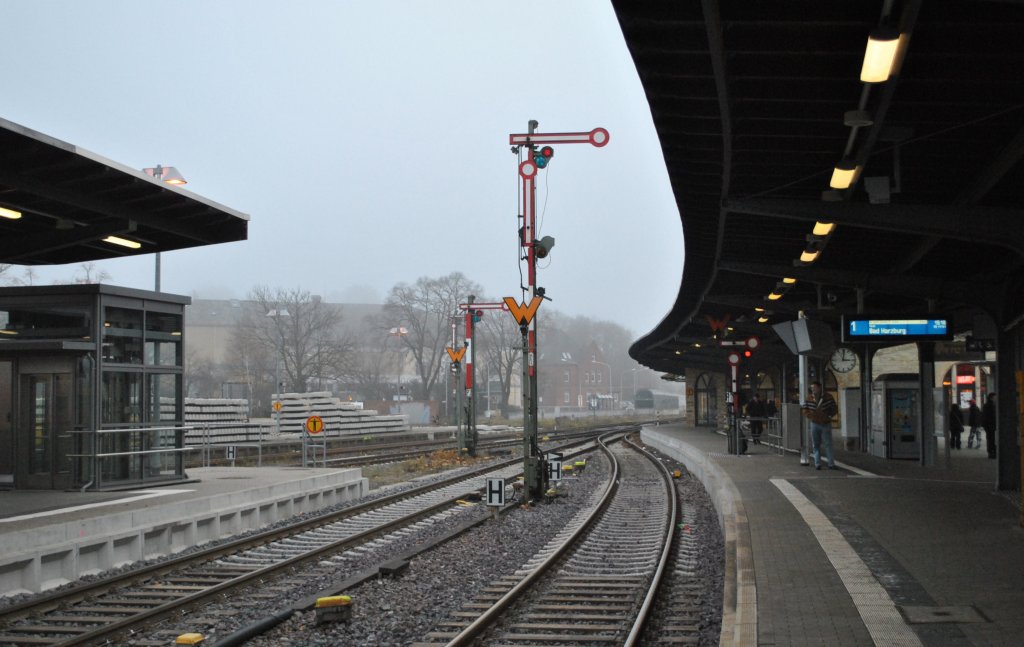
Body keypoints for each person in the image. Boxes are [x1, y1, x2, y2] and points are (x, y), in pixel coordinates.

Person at [803, 381, 838, 470]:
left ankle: (831, 463)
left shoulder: (828, 397)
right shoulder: (809, 398)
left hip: (826, 423)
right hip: (814, 423)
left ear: (819, 388)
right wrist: (810, 416)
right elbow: (804, 408)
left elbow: (834, 408)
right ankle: (817, 463)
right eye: (812, 388)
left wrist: (829, 416)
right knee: (816, 444)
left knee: (828, 444)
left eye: (814, 387)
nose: (812, 389)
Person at [983, 393, 997, 459]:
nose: (995, 399)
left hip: (988, 426)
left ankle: (990, 452)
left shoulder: (986, 405)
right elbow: (992, 416)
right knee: (992, 439)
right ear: (991, 398)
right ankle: (992, 452)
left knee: (990, 439)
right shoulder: (992, 406)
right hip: (991, 425)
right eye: (995, 397)